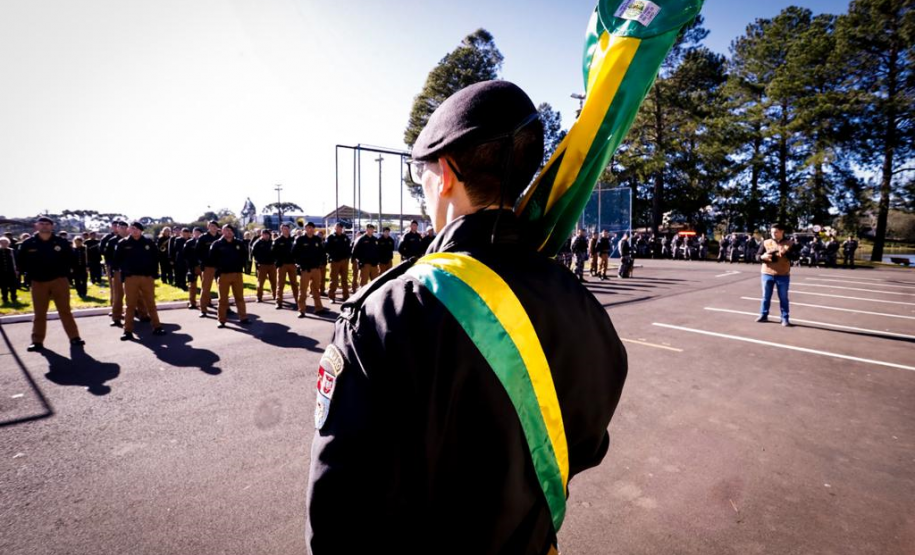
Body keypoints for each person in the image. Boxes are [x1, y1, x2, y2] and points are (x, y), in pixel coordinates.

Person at [306, 80, 627, 555]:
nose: (425, 190)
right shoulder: (580, 301)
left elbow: (341, 506)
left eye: (423, 177)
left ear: (448, 174)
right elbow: (587, 446)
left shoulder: (389, 310)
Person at [18, 217, 85, 351]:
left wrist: (67, 274)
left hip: (59, 280)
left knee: (65, 310)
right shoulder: (28, 243)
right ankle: (37, 341)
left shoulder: (61, 242)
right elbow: (20, 262)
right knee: (39, 313)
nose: (44, 226)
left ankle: (74, 337)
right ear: (36, 226)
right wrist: (28, 277)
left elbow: (72, 260)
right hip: (38, 282)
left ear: (52, 226)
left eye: (47, 224)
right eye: (41, 224)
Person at [116, 222, 166, 340]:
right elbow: (117, 260)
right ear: (129, 230)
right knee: (130, 305)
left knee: (150, 303)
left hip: (147, 277)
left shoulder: (148, 243)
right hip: (130, 278)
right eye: (132, 229)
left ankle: (157, 327)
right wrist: (124, 273)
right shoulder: (123, 243)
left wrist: (154, 274)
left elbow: (155, 259)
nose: (135, 231)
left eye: (137, 229)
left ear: (141, 230)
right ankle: (127, 331)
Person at [210, 225, 250, 328]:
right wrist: (218, 272)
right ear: (222, 231)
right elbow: (212, 259)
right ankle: (221, 320)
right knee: (223, 299)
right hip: (223, 275)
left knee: (239, 297)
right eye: (226, 230)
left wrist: (240, 266)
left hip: (237, 274)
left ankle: (243, 317)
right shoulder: (217, 244)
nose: (228, 232)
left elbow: (245, 256)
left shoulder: (239, 243)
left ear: (233, 232)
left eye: (230, 230)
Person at [756, 223, 794, 327]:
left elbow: (795, 257)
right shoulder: (766, 242)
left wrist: (785, 252)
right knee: (765, 297)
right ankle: (763, 315)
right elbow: (757, 256)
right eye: (772, 232)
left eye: (776, 232)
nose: (773, 234)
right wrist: (762, 257)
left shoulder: (790, 243)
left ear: (782, 232)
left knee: (783, 298)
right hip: (767, 273)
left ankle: (785, 318)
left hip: (783, 274)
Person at [292, 222, 327, 317]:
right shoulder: (300, 239)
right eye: (307, 227)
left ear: (314, 229)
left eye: (311, 227)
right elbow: (294, 253)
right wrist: (299, 265)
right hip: (305, 269)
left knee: (316, 289)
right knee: (303, 291)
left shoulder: (317, 239)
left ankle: (319, 308)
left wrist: (320, 263)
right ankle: (301, 310)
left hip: (316, 268)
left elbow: (322, 253)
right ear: (305, 229)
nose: (310, 229)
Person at [196, 221, 220, 316]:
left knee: (223, 288)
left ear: (217, 227)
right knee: (205, 288)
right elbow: (198, 252)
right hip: (208, 266)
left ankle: (225, 307)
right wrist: (203, 262)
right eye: (211, 226)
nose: (213, 227)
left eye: (214, 226)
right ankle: (203, 309)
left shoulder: (220, 237)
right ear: (208, 227)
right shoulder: (203, 238)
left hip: (220, 266)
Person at [273, 223, 299, 309]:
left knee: (294, 284)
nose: (286, 230)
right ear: (281, 230)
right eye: (284, 228)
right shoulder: (277, 240)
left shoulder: (293, 239)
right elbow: (273, 253)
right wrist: (278, 263)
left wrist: (296, 262)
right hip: (282, 265)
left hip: (292, 264)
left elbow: (297, 251)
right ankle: (278, 302)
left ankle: (298, 301)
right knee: (280, 284)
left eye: (287, 228)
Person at [325, 222, 352, 304]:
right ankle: (331, 297)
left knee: (344, 280)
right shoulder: (331, 237)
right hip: (335, 261)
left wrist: (347, 257)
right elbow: (326, 249)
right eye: (337, 227)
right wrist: (333, 256)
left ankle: (346, 296)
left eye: (341, 227)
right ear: (335, 228)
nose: (339, 229)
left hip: (344, 261)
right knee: (334, 280)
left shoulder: (345, 237)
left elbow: (349, 248)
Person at [251, 229, 277, 303]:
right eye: (264, 234)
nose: (266, 235)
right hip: (262, 265)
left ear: (269, 235)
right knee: (260, 282)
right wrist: (258, 261)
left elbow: (276, 252)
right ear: (261, 235)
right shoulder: (258, 243)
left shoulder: (272, 242)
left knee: (274, 281)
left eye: (267, 234)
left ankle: (275, 295)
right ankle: (259, 297)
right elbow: (253, 252)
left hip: (272, 264)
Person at [183, 227, 203, 309]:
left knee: (205, 286)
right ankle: (192, 302)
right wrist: (189, 265)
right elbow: (185, 255)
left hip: (203, 267)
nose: (197, 234)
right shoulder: (189, 243)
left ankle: (206, 302)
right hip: (192, 267)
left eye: (199, 232)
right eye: (195, 232)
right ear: (193, 233)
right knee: (192, 286)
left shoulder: (204, 242)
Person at [0, 236, 18, 304]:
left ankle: (14, 298)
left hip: (11, 271)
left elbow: (16, 261)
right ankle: (5, 299)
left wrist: (17, 270)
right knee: (3, 287)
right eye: (2, 242)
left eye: (6, 242)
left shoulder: (12, 251)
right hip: (1, 272)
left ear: (8, 243)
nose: (4, 244)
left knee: (13, 286)